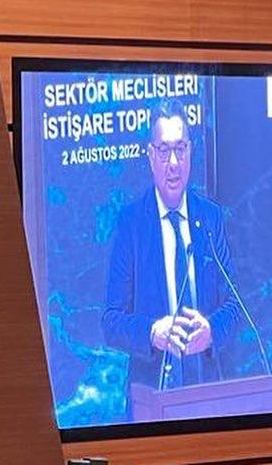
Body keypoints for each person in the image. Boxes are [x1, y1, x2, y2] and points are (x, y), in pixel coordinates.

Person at [102, 99, 241, 406]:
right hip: (152, 398)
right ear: (151, 155)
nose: (174, 163)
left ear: (191, 151)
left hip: (209, 396)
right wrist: (152, 332)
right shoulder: (131, 223)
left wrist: (211, 330)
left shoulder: (210, 218)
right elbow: (111, 321)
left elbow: (235, 306)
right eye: (164, 151)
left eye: (181, 148)